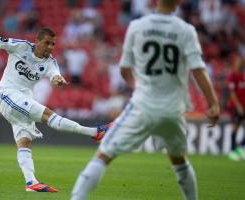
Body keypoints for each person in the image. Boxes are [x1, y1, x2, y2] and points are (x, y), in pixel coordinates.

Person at [71, 0, 220, 200]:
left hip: (143, 105)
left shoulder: (137, 26)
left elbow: (125, 69)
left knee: (103, 155)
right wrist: (213, 103)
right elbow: (198, 70)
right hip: (173, 109)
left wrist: (137, 85)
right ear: (178, 2)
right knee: (179, 161)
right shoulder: (186, 30)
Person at [0, 16, 110, 193]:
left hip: (23, 99)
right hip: (7, 95)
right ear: (37, 41)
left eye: (53, 44)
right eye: (47, 43)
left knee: (25, 142)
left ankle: (31, 183)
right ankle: (94, 132)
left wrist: (58, 80)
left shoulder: (50, 62)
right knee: (48, 115)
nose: (50, 47)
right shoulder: (20, 46)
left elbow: (56, 75)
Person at [227, 57, 245, 161]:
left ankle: (240, 148)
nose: (240, 64)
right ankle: (232, 151)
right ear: (235, 63)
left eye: (241, 62)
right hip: (236, 107)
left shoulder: (243, 76)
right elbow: (232, 93)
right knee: (235, 128)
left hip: (244, 106)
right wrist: (238, 106)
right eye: (238, 62)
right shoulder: (232, 76)